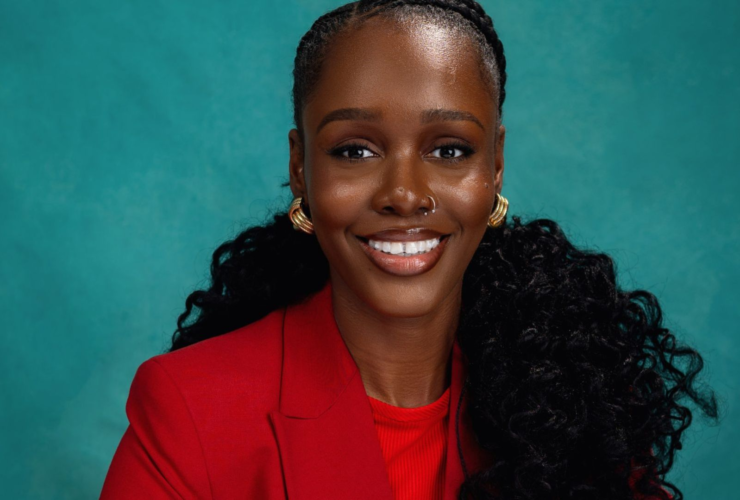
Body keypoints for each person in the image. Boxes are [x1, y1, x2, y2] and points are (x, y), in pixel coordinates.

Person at [100, 1, 719, 498]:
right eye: (355, 150)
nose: (403, 194)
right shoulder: (190, 411)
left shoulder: (578, 404)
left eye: (449, 150)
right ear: (300, 167)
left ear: (495, 165)